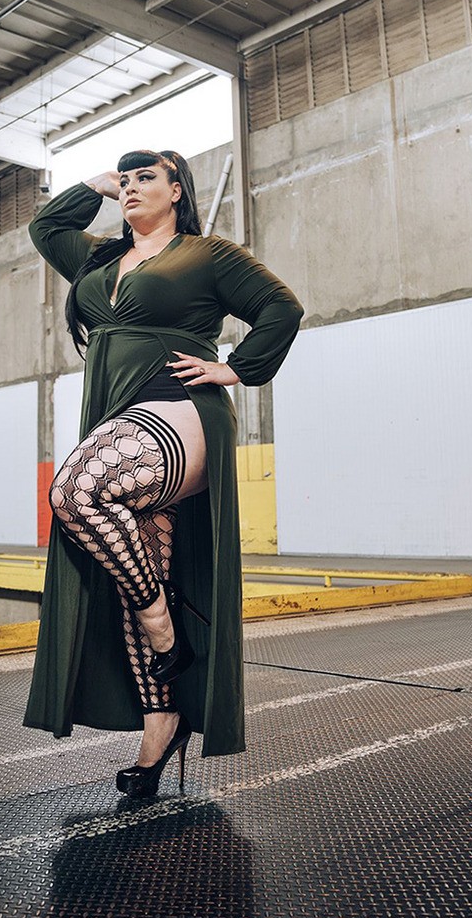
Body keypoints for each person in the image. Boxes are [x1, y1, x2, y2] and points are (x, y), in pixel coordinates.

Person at [23, 149, 303, 797]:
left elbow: (281, 308)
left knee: (76, 491)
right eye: (124, 180)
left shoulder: (207, 255)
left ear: (178, 189)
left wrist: (235, 369)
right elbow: (46, 227)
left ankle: (162, 624)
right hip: (118, 416)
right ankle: (161, 725)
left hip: (181, 410)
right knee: (134, 566)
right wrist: (95, 185)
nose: (130, 188)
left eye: (145, 177)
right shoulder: (97, 259)